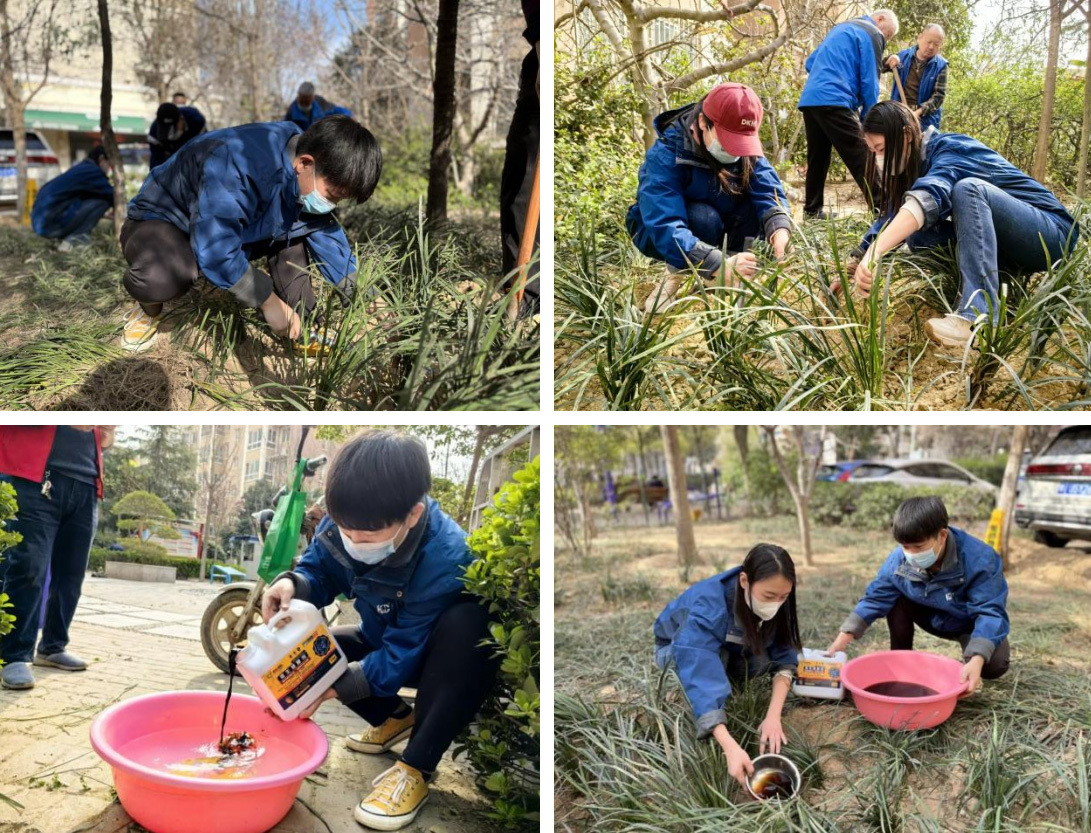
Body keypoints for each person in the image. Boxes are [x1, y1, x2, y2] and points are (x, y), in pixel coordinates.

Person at [260, 430, 499, 830]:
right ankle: (394, 719)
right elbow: (319, 568)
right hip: (384, 633)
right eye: (345, 530)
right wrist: (293, 583)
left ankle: (416, 769)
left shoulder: (446, 555)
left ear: (412, 515)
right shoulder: (343, 522)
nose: (353, 542)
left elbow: (405, 647)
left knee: (469, 626)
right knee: (318, 650)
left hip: (435, 655)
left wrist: (335, 685)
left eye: (366, 537)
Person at [118, 115, 382, 352]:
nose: (331, 205)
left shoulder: (302, 170)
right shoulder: (237, 163)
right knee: (160, 278)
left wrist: (367, 296)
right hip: (165, 222)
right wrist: (267, 301)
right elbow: (216, 246)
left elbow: (325, 233)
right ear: (304, 163)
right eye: (332, 196)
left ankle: (304, 324)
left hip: (227, 227)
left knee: (299, 231)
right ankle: (146, 310)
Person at [846, 100, 1078, 348]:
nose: (878, 158)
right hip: (1012, 247)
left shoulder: (951, 148)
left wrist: (876, 251)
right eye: (873, 152)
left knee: (968, 189)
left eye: (880, 149)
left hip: (1051, 234)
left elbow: (928, 196)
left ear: (906, 135)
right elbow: (893, 216)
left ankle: (976, 317)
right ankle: (1003, 285)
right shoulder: (917, 165)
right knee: (918, 236)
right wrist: (855, 260)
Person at [626, 83, 792, 314]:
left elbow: (768, 190)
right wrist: (714, 262)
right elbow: (664, 221)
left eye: (741, 144)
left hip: (727, 221)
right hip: (674, 229)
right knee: (702, 217)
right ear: (703, 123)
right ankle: (677, 275)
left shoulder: (745, 147)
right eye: (728, 141)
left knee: (761, 212)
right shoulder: (666, 154)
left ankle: (730, 277)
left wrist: (779, 229)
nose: (735, 152)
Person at [653, 544, 802, 790]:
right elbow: (700, 668)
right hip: (674, 648)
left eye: (783, 597)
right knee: (714, 663)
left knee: (763, 661)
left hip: (728, 644)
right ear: (744, 581)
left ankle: (727, 680)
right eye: (768, 597)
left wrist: (773, 716)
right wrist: (730, 747)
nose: (776, 604)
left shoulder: (775, 592)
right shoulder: (708, 608)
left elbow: (785, 656)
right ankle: (685, 691)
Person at [827, 496, 1011, 694]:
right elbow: (875, 598)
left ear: (942, 535)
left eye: (919, 547)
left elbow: (989, 612)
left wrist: (977, 658)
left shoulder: (981, 559)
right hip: (927, 615)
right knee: (894, 595)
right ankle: (900, 657)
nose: (911, 553)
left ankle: (969, 657)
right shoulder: (898, 559)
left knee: (994, 665)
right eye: (905, 546)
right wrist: (841, 641)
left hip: (967, 622)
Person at [0, 426, 115, 691]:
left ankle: (53, 646)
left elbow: (100, 438)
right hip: (33, 476)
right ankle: (14, 655)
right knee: (29, 567)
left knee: (71, 575)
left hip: (86, 483)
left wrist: (107, 438)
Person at [797, 9, 900, 218]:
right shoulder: (873, 32)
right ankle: (884, 210)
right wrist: (871, 123)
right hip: (836, 99)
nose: (885, 39)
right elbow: (870, 81)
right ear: (880, 19)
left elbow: (810, 63)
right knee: (862, 153)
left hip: (811, 98)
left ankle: (812, 210)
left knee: (818, 156)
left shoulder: (841, 29)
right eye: (888, 35)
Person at [499, 0, 540, 317]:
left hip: (542, 60)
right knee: (519, 183)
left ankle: (529, 295)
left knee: (527, 185)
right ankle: (518, 293)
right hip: (539, 58)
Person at [30, 146, 114, 250]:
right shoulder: (92, 172)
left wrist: (105, 214)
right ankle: (76, 240)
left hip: (40, 224)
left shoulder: (82, 168)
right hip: (50, 225)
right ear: (101, 159)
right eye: (109, 164)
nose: (109, 169)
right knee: (102, 202)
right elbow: (114, 196)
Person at [884, 24, 948, 131]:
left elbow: (938, 97)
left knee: (919, 147)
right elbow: (881, 67)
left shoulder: (941, 66)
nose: (931, 47)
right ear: (919, 38)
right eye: (929, 42)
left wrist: (917, 113)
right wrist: (891, 58)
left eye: (936, 44)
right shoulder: (903, 56)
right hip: (898, 113)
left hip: (924, 121)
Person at [147, 102, 207, 170]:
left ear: (181, 120)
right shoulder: (154, 133)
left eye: (173, 129)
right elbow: (156, 162)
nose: (170, 136)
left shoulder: (196, 122)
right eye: (165, 130)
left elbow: (204, 152)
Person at [285, 82, 353, 131]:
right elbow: (283, 128)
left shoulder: (322, 104)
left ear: (312, 97)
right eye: (302, 101)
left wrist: (349, 115)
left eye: (307, 102)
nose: (304, 104)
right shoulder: (290, 113)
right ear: (298, 96)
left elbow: (338, 110)